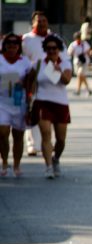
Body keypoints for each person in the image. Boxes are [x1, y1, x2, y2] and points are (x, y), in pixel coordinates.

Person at [32, 34, 72, 179]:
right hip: (42, 102)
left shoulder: (65, 63)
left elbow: (67, 80)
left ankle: (56, 159)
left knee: (61, 140)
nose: (51, 51)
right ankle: (48, 166)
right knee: (46, 134)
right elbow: (30, 82)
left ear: (59, 49)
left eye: (54, 48)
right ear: (45, 50)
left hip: (60, 104)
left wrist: (58, 70)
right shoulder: (38, 64)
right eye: (48, 49)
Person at [0, 33, 33, 177]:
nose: (12, 47)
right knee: (3, 132)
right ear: (4, 46)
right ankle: (5, 162)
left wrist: (26, 88)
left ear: (19, 47)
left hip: (19, 103)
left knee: (18, 136)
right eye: (9, 44)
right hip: (2, 102)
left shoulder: (25, 62)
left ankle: (17, 165)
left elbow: (31, 81)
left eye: (15, 45)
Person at [21, 11, 50, 156]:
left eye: (44, 21)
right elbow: (22, 61)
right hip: (32, 81)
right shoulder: (27, 40)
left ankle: (46, 144)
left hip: (50, 82)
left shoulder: (53, 38)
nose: (42, 23)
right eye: (39, 21)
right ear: (33, 23)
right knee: (32, 112)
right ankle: (32, 145)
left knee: (46, 115)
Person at [67, 31, 91, 96]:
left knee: (80, 74)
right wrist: (73, 52)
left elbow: (89, 51)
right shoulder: (73, 44)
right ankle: (88, 89)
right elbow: (69, 53)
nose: (79, 39)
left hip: (84, 62)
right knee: (81, 76)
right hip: (77, 62)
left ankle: (78, 90)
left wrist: (84, 53)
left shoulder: (84, 43)